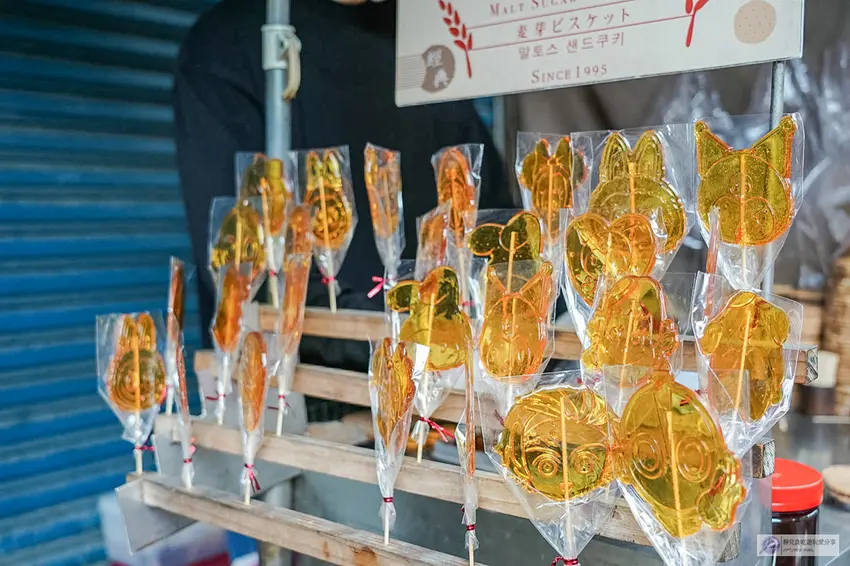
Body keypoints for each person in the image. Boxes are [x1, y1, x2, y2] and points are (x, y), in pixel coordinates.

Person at [174, 0, 511, 370]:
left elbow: (494, 222)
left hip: (451, 377)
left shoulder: (429, 35)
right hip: (309, 384)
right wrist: (406, 340)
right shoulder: (231, 42)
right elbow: (241, 267)